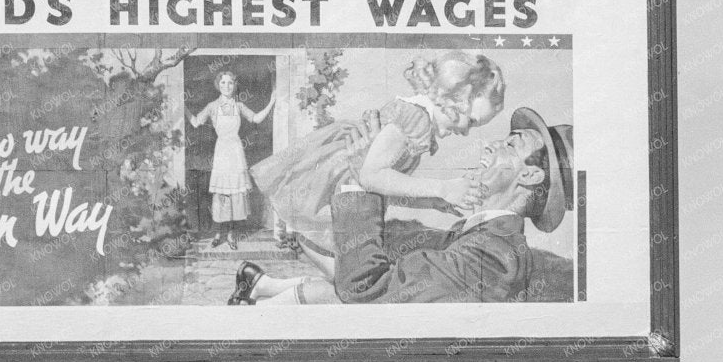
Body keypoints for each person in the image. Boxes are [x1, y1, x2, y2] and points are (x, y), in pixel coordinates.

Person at [229, 107, 572, 306]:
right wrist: (303, 230)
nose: (491, 145)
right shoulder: (476, 237)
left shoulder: (492, 258)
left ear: (530, 174)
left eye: (511, 145)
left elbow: (363, 288)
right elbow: (364, 263)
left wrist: (361, 177)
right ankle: (263, 291)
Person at [249, 50, 507, 242]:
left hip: (353, 200)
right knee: (356, 276)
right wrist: (444, 188)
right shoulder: (415, 118)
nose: (465, 132)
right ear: (453, 98)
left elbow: (387, 186)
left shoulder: (419, 123)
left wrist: (431, 201)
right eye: (470, 121)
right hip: (335, 198)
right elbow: (372, 176)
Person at [186, 71, 273, 250]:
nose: (227, 86)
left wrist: (272, 101)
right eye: (223, 83)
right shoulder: (212, 106)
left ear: (235, 85)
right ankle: (219, 233)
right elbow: (195, 122)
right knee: (221, 194)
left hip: (236, 152)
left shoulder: (239, 106)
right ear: (218, 85)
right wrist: (182, 107)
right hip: (222, 152)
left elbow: (256, 118)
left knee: (235, 194)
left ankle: (232, 234)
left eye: (230, 83)